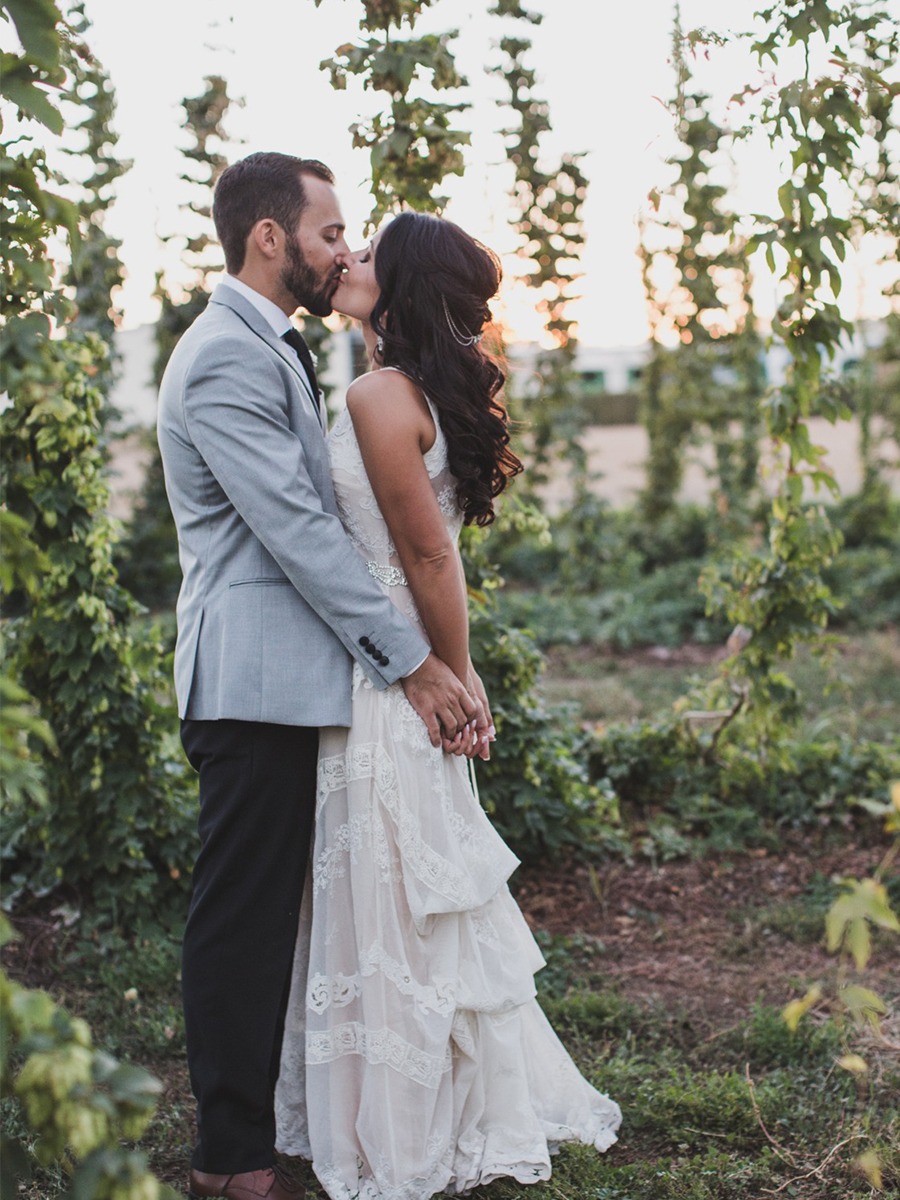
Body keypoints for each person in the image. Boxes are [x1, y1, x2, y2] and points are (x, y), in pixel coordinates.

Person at [157, 153, 487, 1200]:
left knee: (283, 923)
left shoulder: (277, 347)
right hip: (252, 682)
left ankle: (283, 1130)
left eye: (353, 237)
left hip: (301, 681)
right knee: (244, 920)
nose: (343, 247)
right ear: (270, 237)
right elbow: (297, 532)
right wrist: (417, 663)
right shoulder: (224, 356)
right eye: (330, 229)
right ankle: (232, 1160)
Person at [274, 211, 622, 1199]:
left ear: (406, 283)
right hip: (392, 659)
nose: (349, 258)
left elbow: (430, 554)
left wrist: (451, 683)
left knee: (397, 899)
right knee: (407, 893)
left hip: (391, 676)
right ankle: (425, 1107)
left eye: (371, 252)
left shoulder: (382, 393)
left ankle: (414, 1122)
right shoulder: (412, 388)